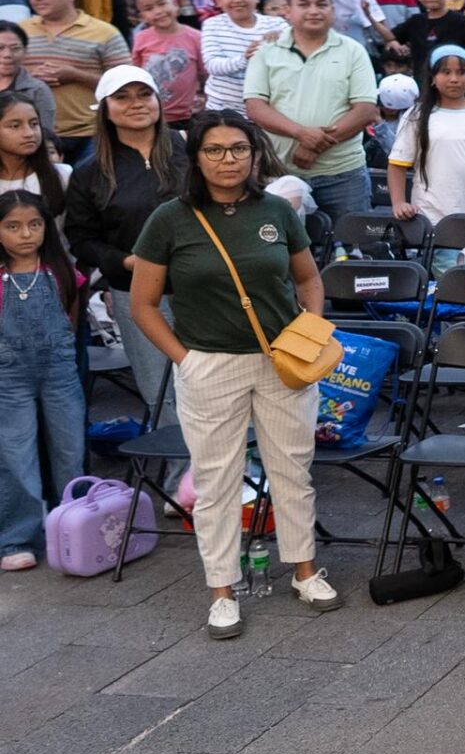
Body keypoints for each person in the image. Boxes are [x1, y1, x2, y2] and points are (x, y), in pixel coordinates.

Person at [126, 112, 340, 637]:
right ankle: (222, 589)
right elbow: (144, 305)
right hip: (209, 363)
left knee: (292, 468)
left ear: (255, 153)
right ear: (195, 157)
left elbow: (309, 279)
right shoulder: (170, 219)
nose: (229, 160)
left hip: (282, 362)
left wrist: (308, 332)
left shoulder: (276, 211)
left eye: (239, 149)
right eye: (216, 150)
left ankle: (305, 570)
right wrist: (185, 359)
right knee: (217, 482)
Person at [65, 66, 188, 416]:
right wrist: (124, 262)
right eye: (122, 97)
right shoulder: (90, 173)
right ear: (105, 107)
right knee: (161, 392)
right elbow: (82, 239)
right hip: (136, 293)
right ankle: (180, 473)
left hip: (204, 286)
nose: (136, 104)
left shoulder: (191, 149)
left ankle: (233, 469)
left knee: (218, 381)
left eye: (144, 94)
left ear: (158, 101)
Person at [243, 0, 380, 227]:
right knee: (282, 250)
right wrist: (301, 134)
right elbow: (255, 107)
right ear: (288, 10)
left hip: (343, 173)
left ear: (333, 10)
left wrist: (314, 146)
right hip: (280, 171)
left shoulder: (353, 50)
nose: (314, 11)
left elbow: (365, 110)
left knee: (353, 252)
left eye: (321, 4)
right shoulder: (266, 50)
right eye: (304, 4)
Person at [0, 189, 82, 569]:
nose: (25, 234)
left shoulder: (61, 272)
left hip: (59, 373)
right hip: (8, 378)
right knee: (16, 455)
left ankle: (78, 526)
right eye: (12, 226)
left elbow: (72, 320)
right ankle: (17, 538)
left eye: (34, 224)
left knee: (70, 449)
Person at [387, 47, 465, 230]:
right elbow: (397, 164)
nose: (454, 79)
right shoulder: (417, 115)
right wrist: (398, 203)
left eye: (461, 73)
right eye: (446, 72)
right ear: (433, 78)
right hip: (431, 219)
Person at [20, 0, 131, 158]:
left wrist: (75, 75)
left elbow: (126, 83)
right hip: (34, 135)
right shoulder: (19, 33)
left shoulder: (104, 32)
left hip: (93, 133)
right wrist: (29, 79)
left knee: (91, 188)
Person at [127, 0, 204, 122]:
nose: (158, 11)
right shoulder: (141, 38)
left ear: (175, 4)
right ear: (142, 16)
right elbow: (137, 74)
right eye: (149, 9)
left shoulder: (196, 37)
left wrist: (203, 96)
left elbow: (205, 74)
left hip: (188, 115)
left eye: (162, 4)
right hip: (152, 116)